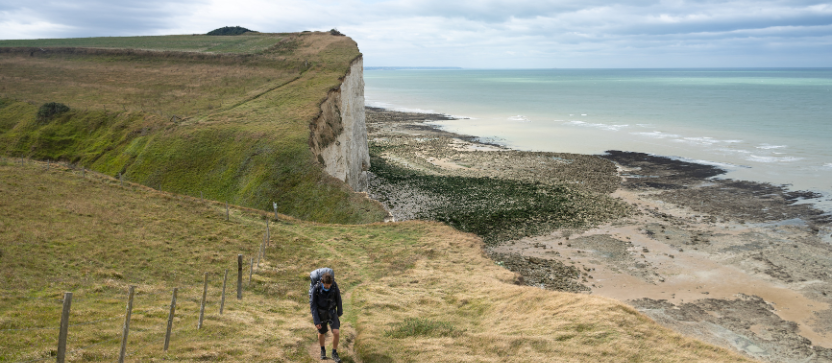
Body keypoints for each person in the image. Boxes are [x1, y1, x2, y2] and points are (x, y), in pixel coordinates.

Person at [310, 271, 343, 362]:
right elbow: (313, 305)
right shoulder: (316, 289)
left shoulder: (334, 286)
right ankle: (322, 350)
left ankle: (334, 352)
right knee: (321, 333)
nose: (327, 287)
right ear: (322, 282)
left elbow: (338, 299)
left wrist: (339, 312)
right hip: (321, 314)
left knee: (336, 332)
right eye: (326, 285)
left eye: (329, 285)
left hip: (332, 312)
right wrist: (316, 321)